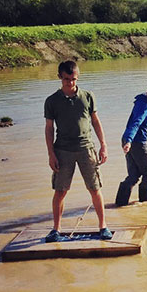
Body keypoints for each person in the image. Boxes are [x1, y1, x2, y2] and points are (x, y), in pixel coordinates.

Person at [43, 60, 111, 243]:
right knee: (60, 191)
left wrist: (103, 145)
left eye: (73, 79)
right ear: (59, 77)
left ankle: (103, 226)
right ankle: (56, 229)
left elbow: (96, 122)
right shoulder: (51, 101)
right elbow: (49, 129)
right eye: (66, 79)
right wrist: (51, 154)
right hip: (62, 151)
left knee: (94, 188)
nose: (70, 83)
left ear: (77, 77)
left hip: (86, 149)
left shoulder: (87, 96)